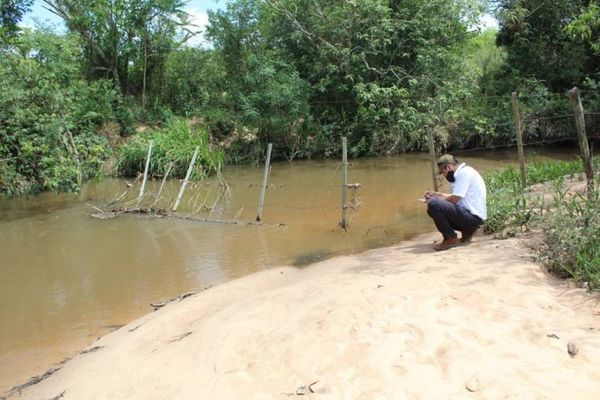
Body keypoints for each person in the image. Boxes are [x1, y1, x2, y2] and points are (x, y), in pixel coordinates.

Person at [424, 154, 487, 251]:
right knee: (433, 206)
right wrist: (437, 195)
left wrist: (435, 200)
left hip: (473, 217)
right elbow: (455, 197)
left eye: (443, 172)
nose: (444, 175)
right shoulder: (464, 172)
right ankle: (467, 230)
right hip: (473, 217)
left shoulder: (464, 174)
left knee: (433, 205)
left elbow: (454, 199)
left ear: (449, 167)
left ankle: (450, 238)